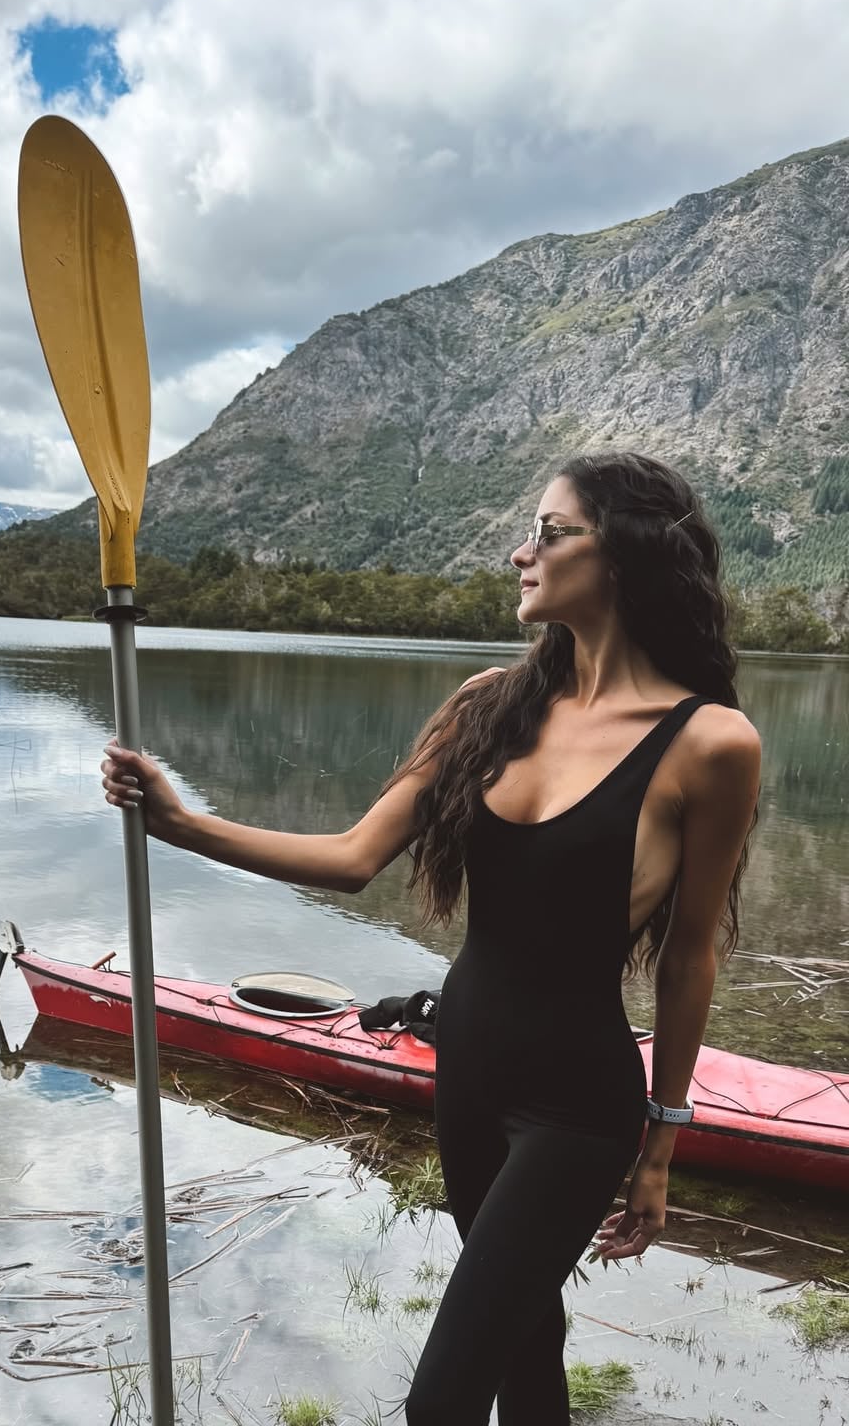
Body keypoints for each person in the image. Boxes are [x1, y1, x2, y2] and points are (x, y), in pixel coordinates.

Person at [100, 451, 761, 1425]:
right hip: (469, 1073)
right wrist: (180, 822)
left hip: (579, 1106)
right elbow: (354, 855)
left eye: (548, 530)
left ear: (620, 553)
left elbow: (690, 954)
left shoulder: (711, 743)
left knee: (440, 1401)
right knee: (527, 1339)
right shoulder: (489, 707)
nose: (517, 552)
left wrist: (663, 1141)